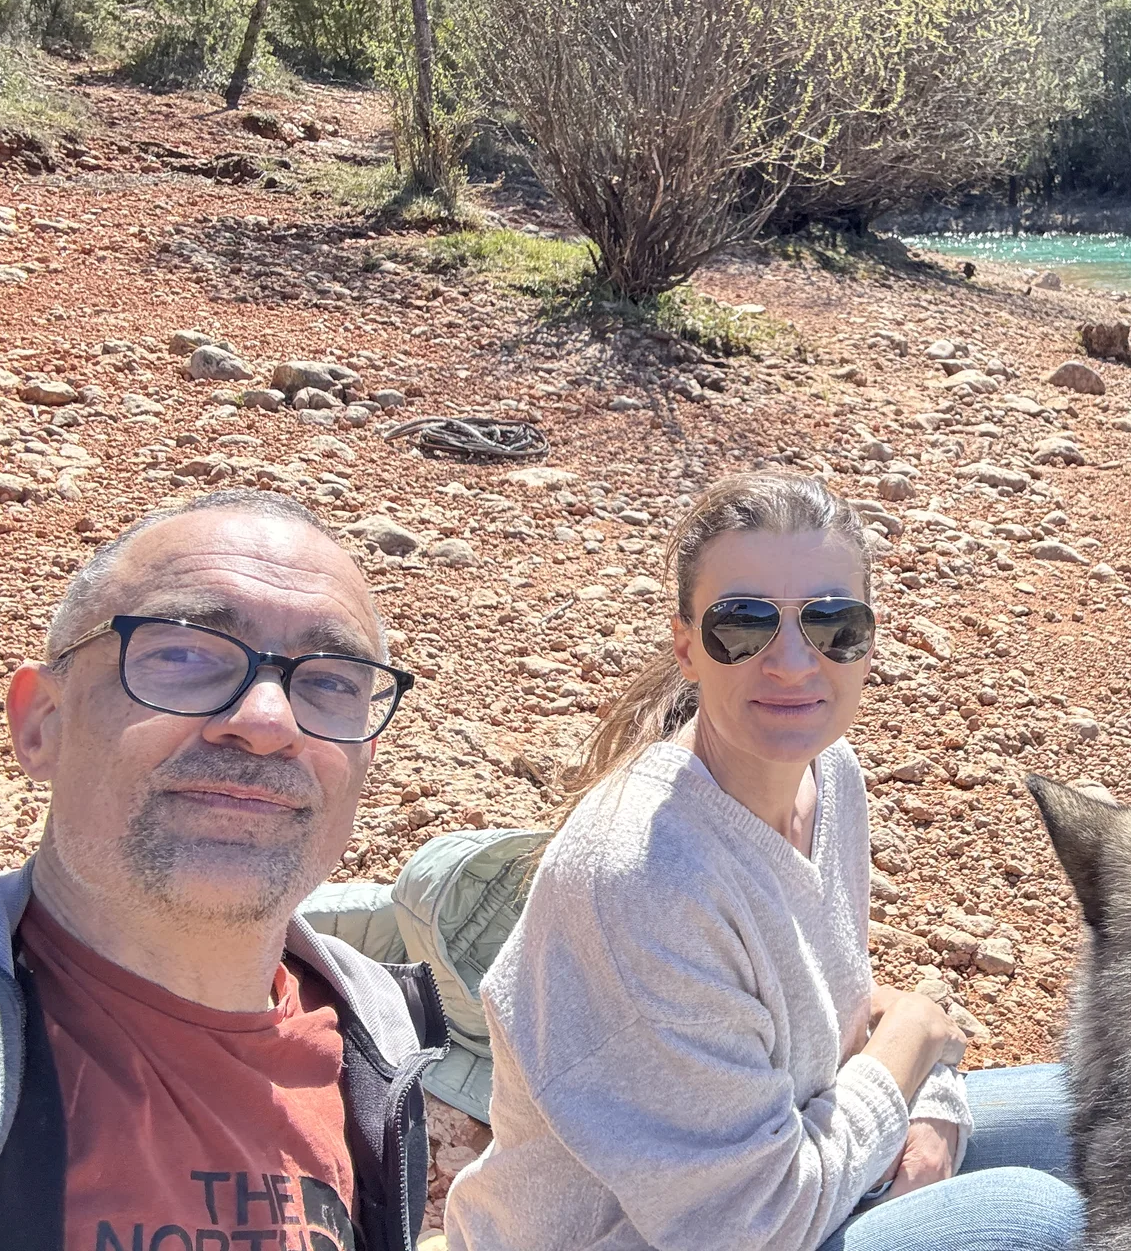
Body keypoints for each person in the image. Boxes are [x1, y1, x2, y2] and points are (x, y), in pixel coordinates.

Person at [445, 472, 1084, 1251]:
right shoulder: (644, 875)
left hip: (796, 1173)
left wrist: (934, 1100)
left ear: (868, 643)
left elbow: (829, 1016)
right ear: (687, 648)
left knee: (1115, 1116)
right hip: (687, 1232)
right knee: (1036, 1221)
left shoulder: (832, 775)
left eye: (832, 624)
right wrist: (918, 1038)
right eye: (743, 626)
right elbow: (751, 1223)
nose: (790, 661)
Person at [0, 489, 447, 1251]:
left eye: (331, 682)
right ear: (40, 724)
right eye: (183, 653)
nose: (266, 722)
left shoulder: (380, 1042)